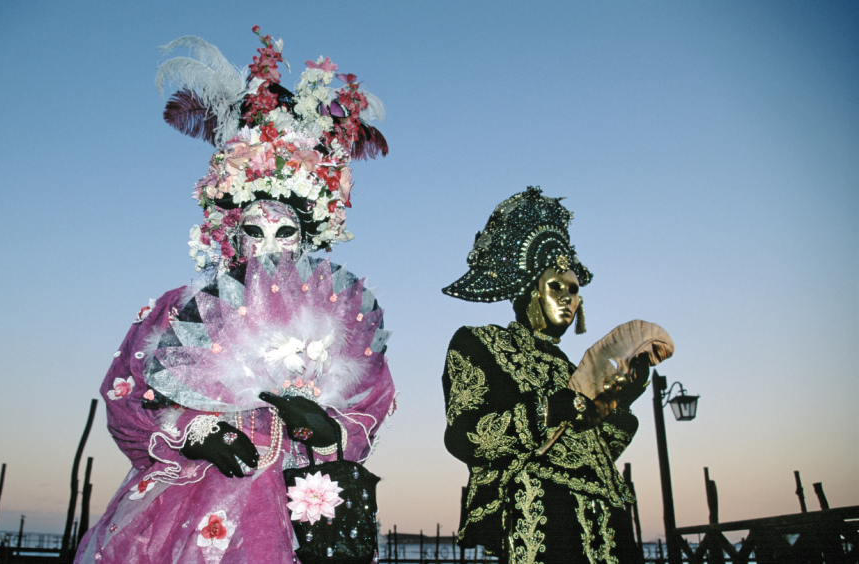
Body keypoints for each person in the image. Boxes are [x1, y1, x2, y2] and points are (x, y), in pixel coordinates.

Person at [75, 29, 394, 564]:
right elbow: (125, 397)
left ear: (308, 236)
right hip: (191, 502)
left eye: (285, 233)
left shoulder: (335, 317)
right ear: (231, 231)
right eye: (255, 230)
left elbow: (370, 403)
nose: (269, 248)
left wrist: (325, 428)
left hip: (302, 506)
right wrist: (194, 430)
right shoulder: (181, 308)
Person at [441, 187, 648, 564]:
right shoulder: (480, 344)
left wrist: (618, 403)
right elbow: (465, 436)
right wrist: (546, 411)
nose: (570, 298)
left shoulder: (571, 370)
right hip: (539, 515)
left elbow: (596, 451)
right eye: (557, 286)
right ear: (528, 289)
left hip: (610, 526)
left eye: (574, 289)